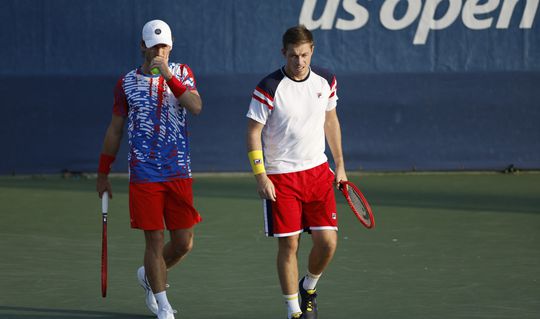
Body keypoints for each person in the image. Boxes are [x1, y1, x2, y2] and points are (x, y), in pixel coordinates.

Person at [96, 19, 202, 319]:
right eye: (154, 46)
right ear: (143, 46)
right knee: (154, 240)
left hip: (179, 171)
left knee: (183, 242)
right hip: (144, 174)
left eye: (164, 46)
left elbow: (195, 106)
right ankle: (163, 306)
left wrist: (168, 75)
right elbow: (115, 130)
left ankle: (148, 276)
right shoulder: (126, 83)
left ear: (171, 46)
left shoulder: (182, 72)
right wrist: (103, 173)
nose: (159, 52)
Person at [246, 25, 347, 319]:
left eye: (304, 55)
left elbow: (331, 121)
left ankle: (309, 287)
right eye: (293, 56)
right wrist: (260, 175)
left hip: (318, 173)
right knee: (289, 244)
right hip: (281, 176)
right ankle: (293, 311)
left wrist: (339, 164)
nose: (299, 61)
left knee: (328, 243)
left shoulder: (326, 80)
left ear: (312, 50)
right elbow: (253, 133)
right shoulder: (268, 87)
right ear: (283, 53)